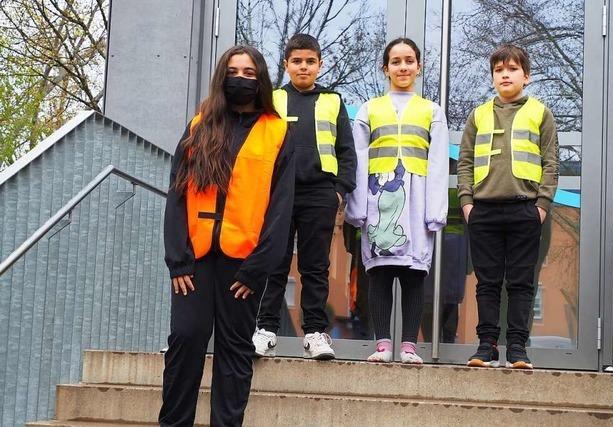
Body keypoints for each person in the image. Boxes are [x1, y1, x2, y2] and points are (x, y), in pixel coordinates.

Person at [159, 45, 294, 426]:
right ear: (222, 77)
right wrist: (177, 258)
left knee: (235, 353)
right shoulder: (199, 126)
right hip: (194, 261)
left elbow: (280, 209)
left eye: (250, 73)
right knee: (186, 339)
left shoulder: (277, 131)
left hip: (243, 267)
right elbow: (176, 195)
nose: (241, 78)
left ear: (261, 79)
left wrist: (258, 269)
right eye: (234, 71)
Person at [345, 37, 449, 364]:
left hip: (417, 200)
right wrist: (358, 205)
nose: (402, 67)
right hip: (381, 198)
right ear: (385, 68)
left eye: (408, 61)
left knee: (414, 273)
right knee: (380, 272)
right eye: (395, 61)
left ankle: (408, 345)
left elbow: (437, 162)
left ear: (418, 66)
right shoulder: (369, 109)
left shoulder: (432, 111)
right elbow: (359, 158)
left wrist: (436, 210)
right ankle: (382, 344)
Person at [252, 33, 356, 360]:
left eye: (310, 61)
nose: (303, 67)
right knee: (274, 263)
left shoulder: (333, 101)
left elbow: (347, 152)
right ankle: (265, 330)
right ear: (286, 64)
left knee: (315, 267)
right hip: (279, 194)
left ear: (320, 65)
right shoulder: (271, 99)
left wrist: (339, 191)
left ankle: (315, 333)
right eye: (297, 61)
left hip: (319, 194)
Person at [457, 44, 559, 370]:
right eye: (499, 70)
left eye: (512, 69)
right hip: (484, 212)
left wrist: (541, 205)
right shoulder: (478, 115)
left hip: (525, 211)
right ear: (492, 77)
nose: (505, 74)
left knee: (520, 283)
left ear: (526, 76)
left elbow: (551, 163)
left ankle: (517, 347)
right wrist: (467, 203)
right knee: (486, 283)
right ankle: (486, 345)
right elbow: (465, 162)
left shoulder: (541, 114)